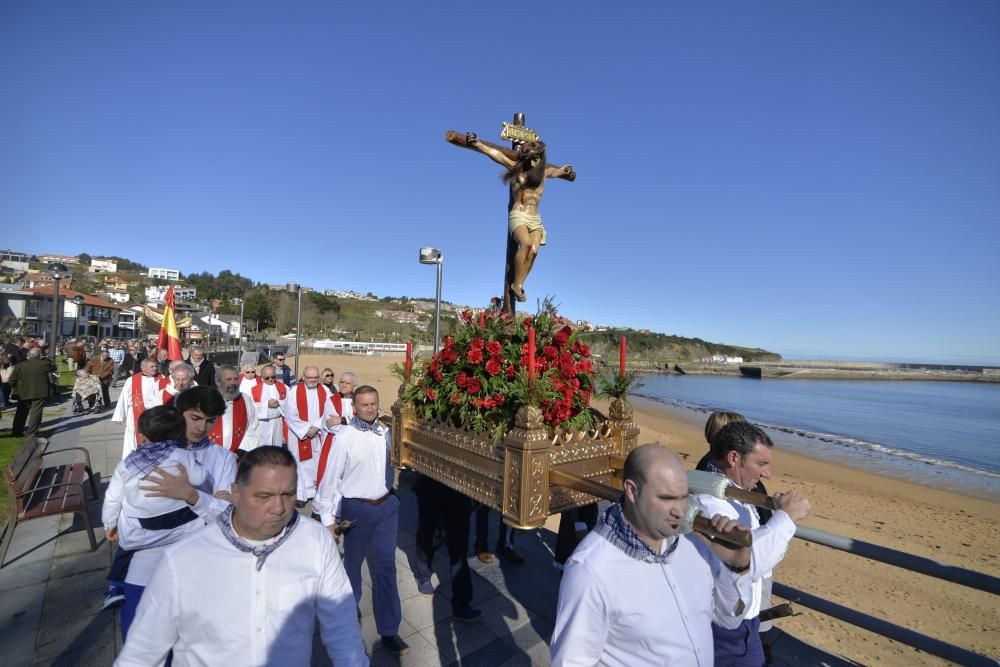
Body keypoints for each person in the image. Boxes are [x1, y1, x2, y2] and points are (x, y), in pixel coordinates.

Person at [115, 446, 368, 666]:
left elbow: (341, 624)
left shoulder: (316, 541)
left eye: (288, 495)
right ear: (235, 493)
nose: (279, 508)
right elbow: (143, 653)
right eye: (264, 496)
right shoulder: (184, 558)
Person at [550, 444, 755, 666]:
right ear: (631, 490)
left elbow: (729, 618)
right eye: (667, 498)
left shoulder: (694, 541)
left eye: (684, 497)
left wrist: (736, 566)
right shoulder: (591, 569)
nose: (679, 510)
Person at [696, 422, 811, 666]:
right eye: (761, 464)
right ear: (734, 458)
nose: (767, 474)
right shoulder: (709, 503)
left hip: (747, 623)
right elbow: (746, 561)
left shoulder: (735, 491)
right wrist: (786, 517)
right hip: (723, 628)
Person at [313, 386, 408, 656]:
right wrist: (327, 519)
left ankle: (390, 630)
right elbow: (330, 478)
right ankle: (348, 616)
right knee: (352, 566)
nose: (370, 408)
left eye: (374, 404)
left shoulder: (386, 433)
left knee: (386, 569)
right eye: (364, 404)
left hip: (386, 507)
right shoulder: (345, 437)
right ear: (354, 407)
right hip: (356, 509)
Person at [102, 405, 209, 637]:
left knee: (126, 521)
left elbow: (112, 497)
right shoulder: (182, 456)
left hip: (142, 533)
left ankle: (116, 584)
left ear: (143, 435)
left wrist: (109, 524)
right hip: (181, 528)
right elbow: (200, 477)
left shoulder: (128, 464)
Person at [465, 133, 572, 302]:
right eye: (530, 158)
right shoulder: (516, 168)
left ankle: (519, 284)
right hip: (519, 215)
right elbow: (497, 155)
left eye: (536, 158)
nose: (532, 162)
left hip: (535, 218)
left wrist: (564, 170)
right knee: (526, 244)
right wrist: (478, 144)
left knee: (534, 251)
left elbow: (557, 171)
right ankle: (516, 285)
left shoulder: (544, 173)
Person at [412, 474, 482, 621]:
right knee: (427, 532)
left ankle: (461, 604)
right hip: (430, 481)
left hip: (459, 486)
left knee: (459, 547)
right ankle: (423, 574)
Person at [279, 365, 334, 502]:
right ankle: (300, 494)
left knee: (317, 462)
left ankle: (316, 491)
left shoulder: (325, 391)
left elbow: (331, 411)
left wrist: (316, 426)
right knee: (300, 463)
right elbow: (290, 414)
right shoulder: (293, 392)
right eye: (309, 377)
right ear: (303, 378)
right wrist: (305, 430)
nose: (312, 380)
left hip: (319, 433)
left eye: (315, 377)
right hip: (298, 434)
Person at [112, 358, 162, 458]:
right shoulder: (132, 380)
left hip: (155, 414)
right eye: (152, 367)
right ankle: (132, 459)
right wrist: (119, 416)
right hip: (136, 413)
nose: (155, 368)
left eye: (155, 366)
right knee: (134, 437)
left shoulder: (161, 378)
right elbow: (124, 397)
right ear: (143, 368)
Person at [208, 366, 259, 454]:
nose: (233, 383)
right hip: (209, 456)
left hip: (236, 457)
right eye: (228, 379)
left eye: (235, 379)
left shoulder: (245, 400)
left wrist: (239, 453)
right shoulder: (207, 400)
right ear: (218, 382)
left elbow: (252, 428)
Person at [9, 348, 55, 437]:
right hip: (39, 392)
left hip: (23, 392)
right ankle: (31, 432)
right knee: (36, 412)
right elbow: (53, 366)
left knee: (21, 412)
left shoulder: (20, 365)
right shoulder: (44, 363)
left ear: (29, 355)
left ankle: (16, 431)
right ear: (40, 355)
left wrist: (14, 388)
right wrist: (45, 358)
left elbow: (12, 380)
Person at [248, 364, 288, 448]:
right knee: (263, 449)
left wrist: (280, 403)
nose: (271, 379)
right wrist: (266, 405)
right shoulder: (254, 390)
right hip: (262, 424)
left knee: (277, 449)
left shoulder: (283, 387)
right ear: (262, 377)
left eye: (273, 377)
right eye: (267, 378)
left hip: (278, 422)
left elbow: (290, 403)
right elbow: (250, 407)